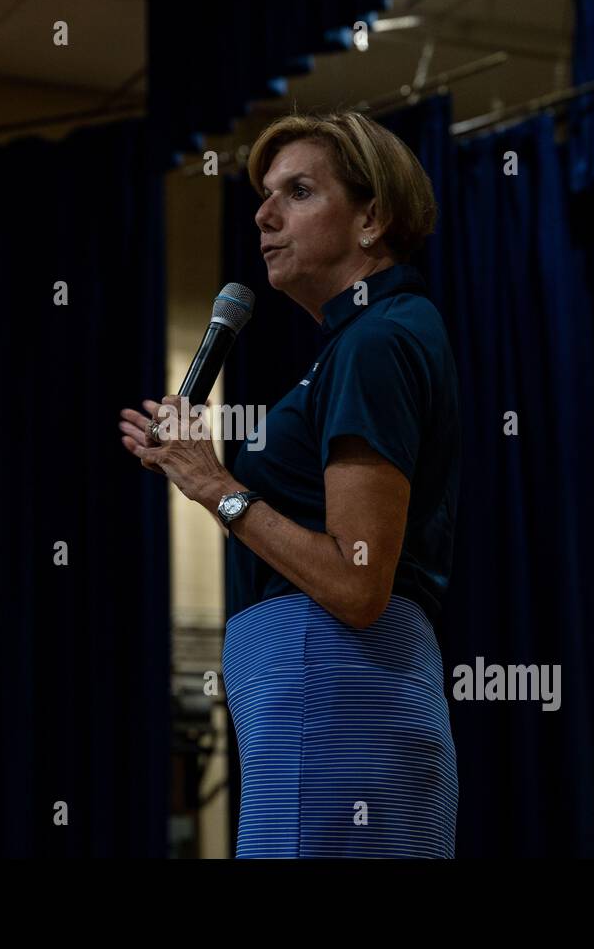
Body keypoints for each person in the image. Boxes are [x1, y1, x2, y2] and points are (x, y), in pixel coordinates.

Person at [119, 110, 460, 857]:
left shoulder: (377, 340)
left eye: (298, 191)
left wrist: (216, 486)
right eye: (265, 196)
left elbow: (358, 583)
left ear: (372, 217)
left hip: (338, 702)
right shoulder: (364, 339)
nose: (264, 215)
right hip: (329, 702)